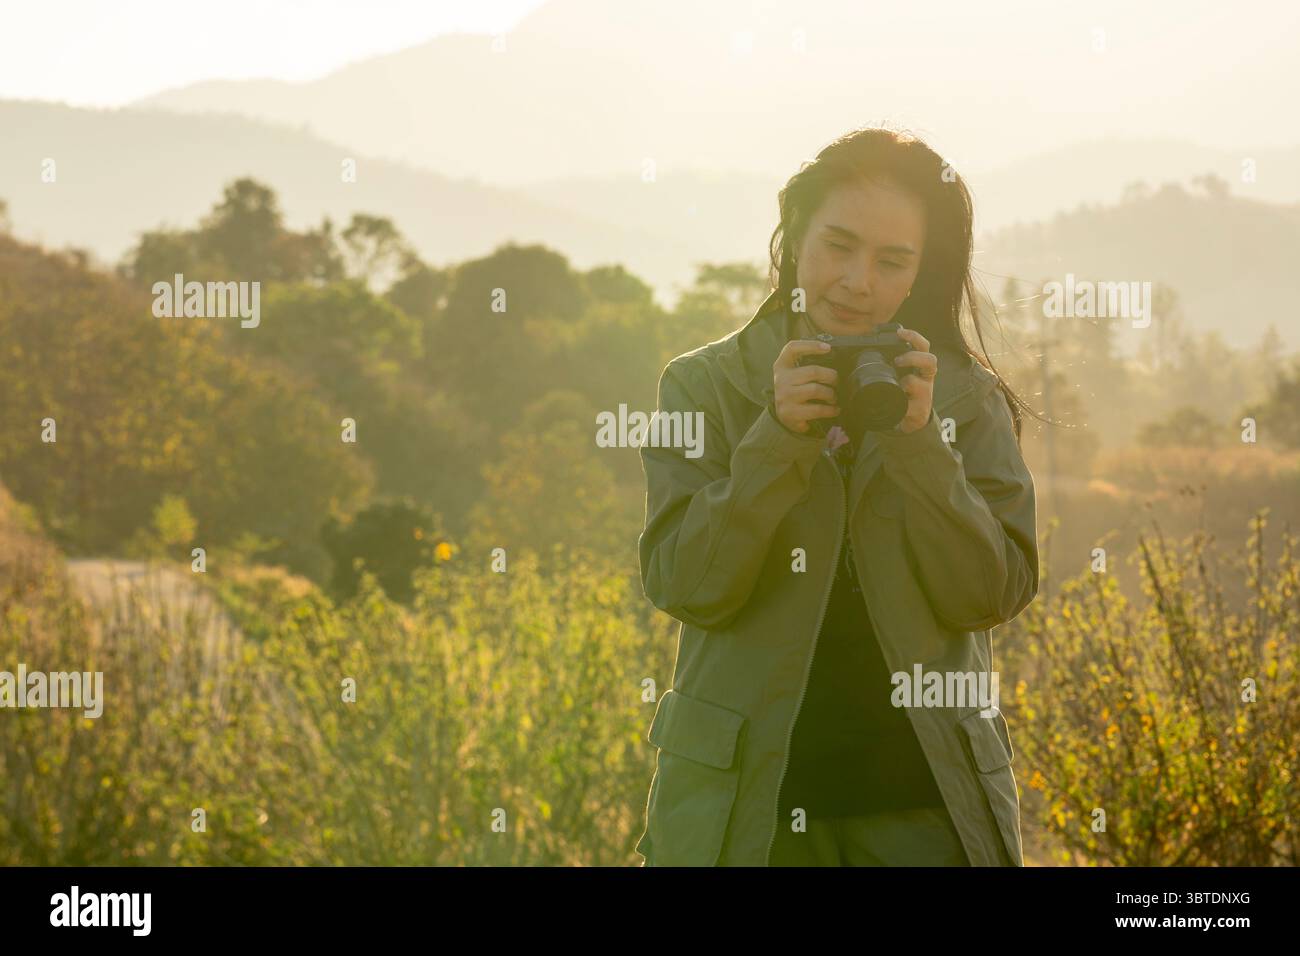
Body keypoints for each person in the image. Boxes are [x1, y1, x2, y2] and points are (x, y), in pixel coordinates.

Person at [633, 127, 1040, 866]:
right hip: (742, 818)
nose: (859, 282)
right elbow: (686, 583)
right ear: (793, 237)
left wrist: (920, 446)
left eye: (892, 262)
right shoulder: (704, 386)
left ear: (921, 271)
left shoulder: (965, 399)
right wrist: (777, 438)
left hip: (925, 814)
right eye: (838, 247)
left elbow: (990, 593)